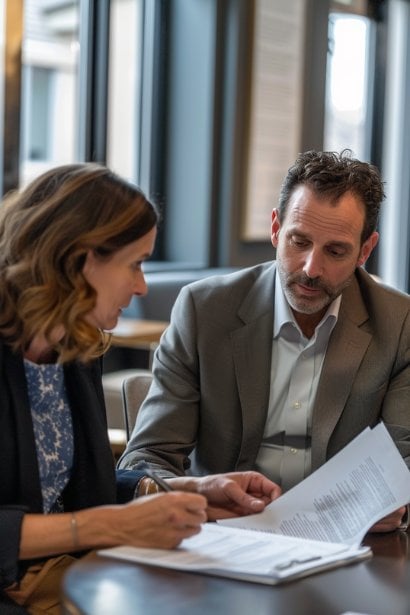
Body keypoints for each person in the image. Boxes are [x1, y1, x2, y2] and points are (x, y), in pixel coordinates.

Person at [0, 163, 281, 613]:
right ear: (80, 260)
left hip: (65, 573)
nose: (141, 285)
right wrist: (107, 527)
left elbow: (76, 489)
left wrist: (187, 490)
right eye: (135, 264)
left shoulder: (75, 346)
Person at [119, 149, 410, 533]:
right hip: (223, 533)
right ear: (275, 228)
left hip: (347, 542)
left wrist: (395, 502)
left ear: (365, 250)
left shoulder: (399, 323)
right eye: (299, 241)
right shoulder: (203, 311)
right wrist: (196, 497)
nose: (311, 268)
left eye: (335, 251)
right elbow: (146, 458)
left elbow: (403, 460)